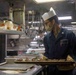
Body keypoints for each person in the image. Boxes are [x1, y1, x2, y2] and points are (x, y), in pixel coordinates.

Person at [41, 7, 76, 75]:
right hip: (52, 71)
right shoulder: (47, 38)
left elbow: (75, 52)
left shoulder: (69, 35)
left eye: (46, 23)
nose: (45, 26)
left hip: (66, 71)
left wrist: (73, 60)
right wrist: (44, 59)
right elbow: (47, 54)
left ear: (53, 21)